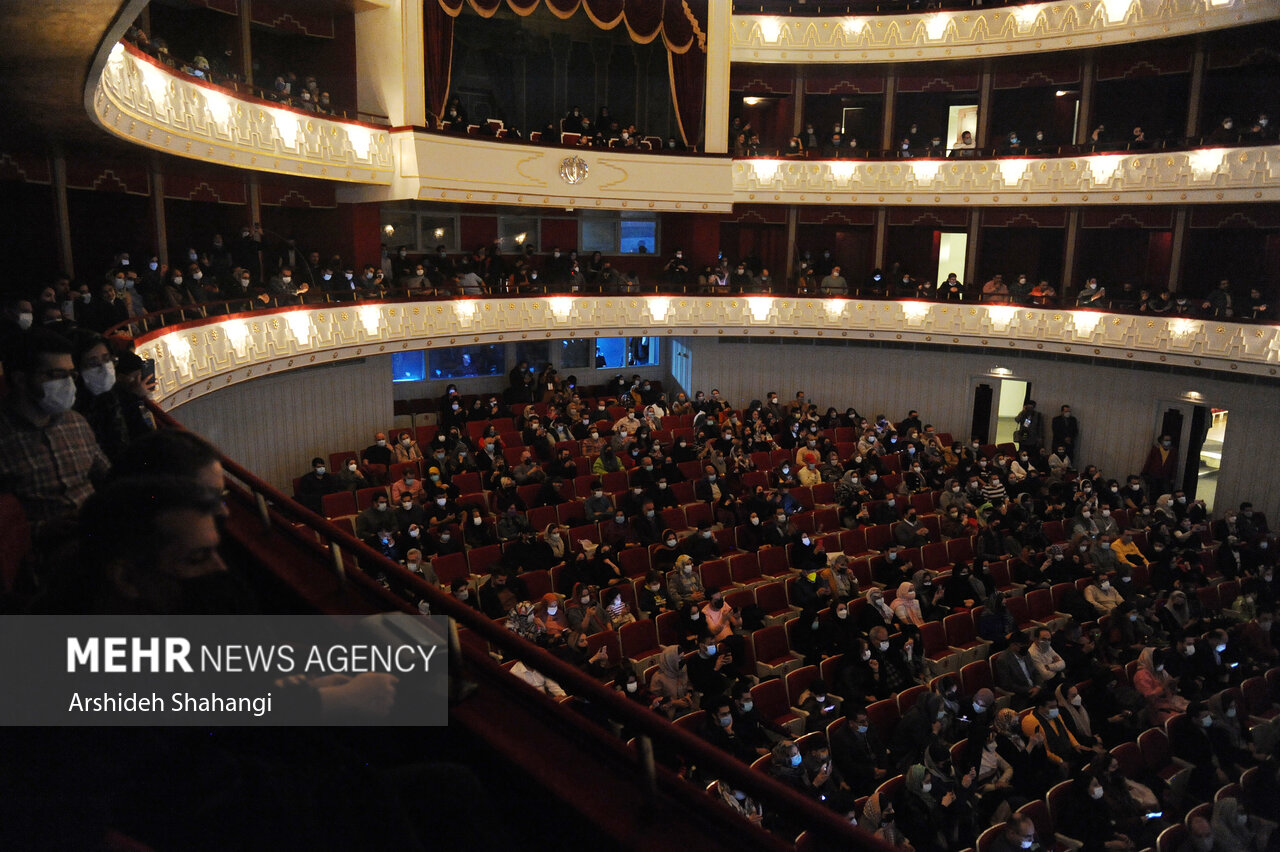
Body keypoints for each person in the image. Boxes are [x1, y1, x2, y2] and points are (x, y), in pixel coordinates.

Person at [0, 328, 111, 541]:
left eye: (72, 374)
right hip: (42, 555)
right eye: (58, 376)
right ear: (21, 380)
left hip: (97, 534)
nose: (69, 384)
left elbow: (106, 475)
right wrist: (44, 529)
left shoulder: (75, 422)